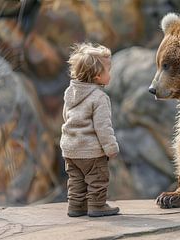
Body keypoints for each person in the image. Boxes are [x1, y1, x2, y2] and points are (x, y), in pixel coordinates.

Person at [60, 42, 120, 217]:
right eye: (108, 70)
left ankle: (76, 206)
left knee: (76, 180)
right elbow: (103, 127)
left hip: (70, 148)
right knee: (97, 179)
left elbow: (66, 117)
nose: (110, 74)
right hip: (91, 151)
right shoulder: (99, 97)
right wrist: (111, 148)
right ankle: (97, 206)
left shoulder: (70, 92)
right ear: (97, 76)